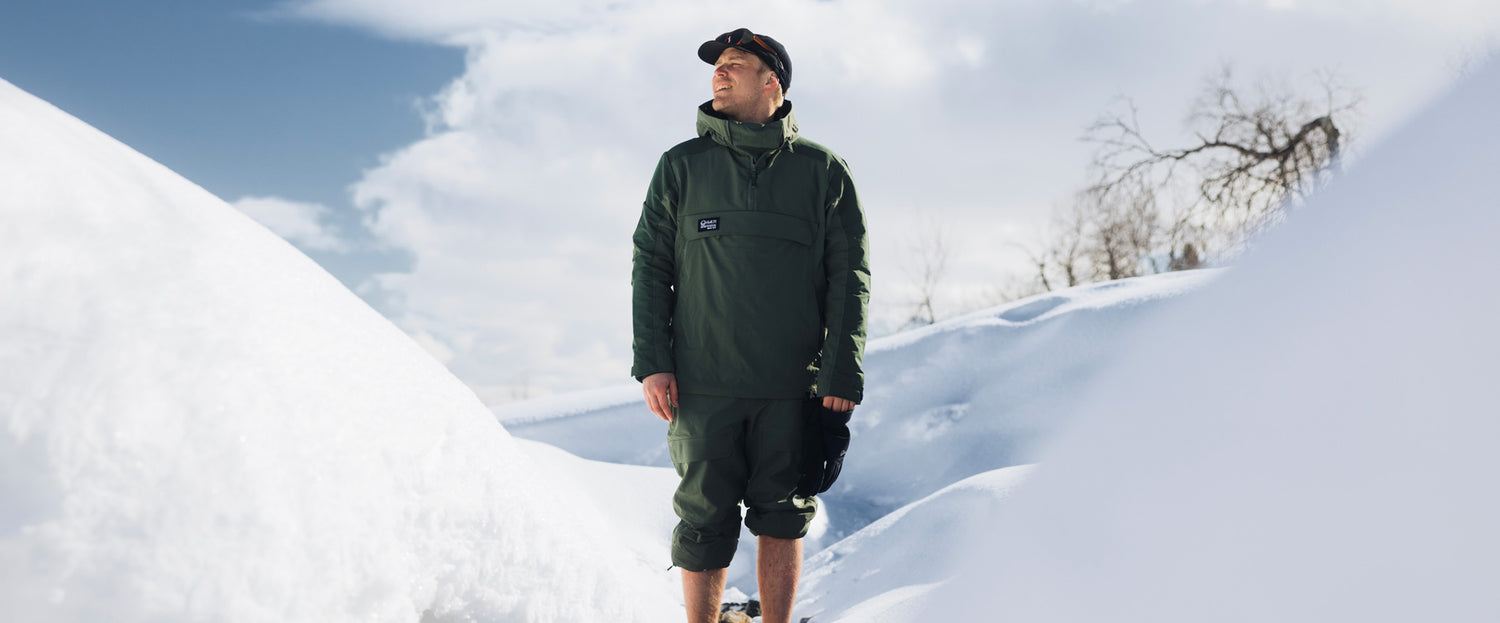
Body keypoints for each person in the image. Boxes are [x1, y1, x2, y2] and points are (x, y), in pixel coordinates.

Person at [630, 27, 870, 623]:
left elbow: (851, 279)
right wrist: (652, 360)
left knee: (783, 516)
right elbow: (649, 267)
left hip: (792, 385)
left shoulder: (823, 172)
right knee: (703, 521)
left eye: (735, 64)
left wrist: (839, 373)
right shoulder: (681, 167)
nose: (719, 71)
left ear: (772, 82)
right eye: (716, 64)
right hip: (702, 384)